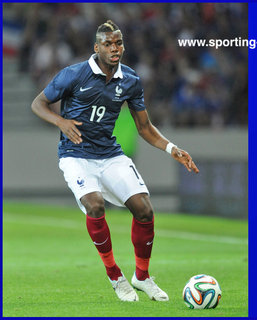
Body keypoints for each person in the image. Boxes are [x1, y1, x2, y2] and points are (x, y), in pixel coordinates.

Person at [31, 20, 199, 302]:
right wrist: (60, 121)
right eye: (108, 44)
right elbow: (38, 104)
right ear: (97, 48)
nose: (114, 48)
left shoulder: (130, 80)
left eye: (118, 43)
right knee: (95, 205)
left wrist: (172, 148)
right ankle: (115, 275)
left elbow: (144, 128)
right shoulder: (73, 75)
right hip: (76, 156)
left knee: (145, 209)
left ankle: (142, 277)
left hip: (109, 154)